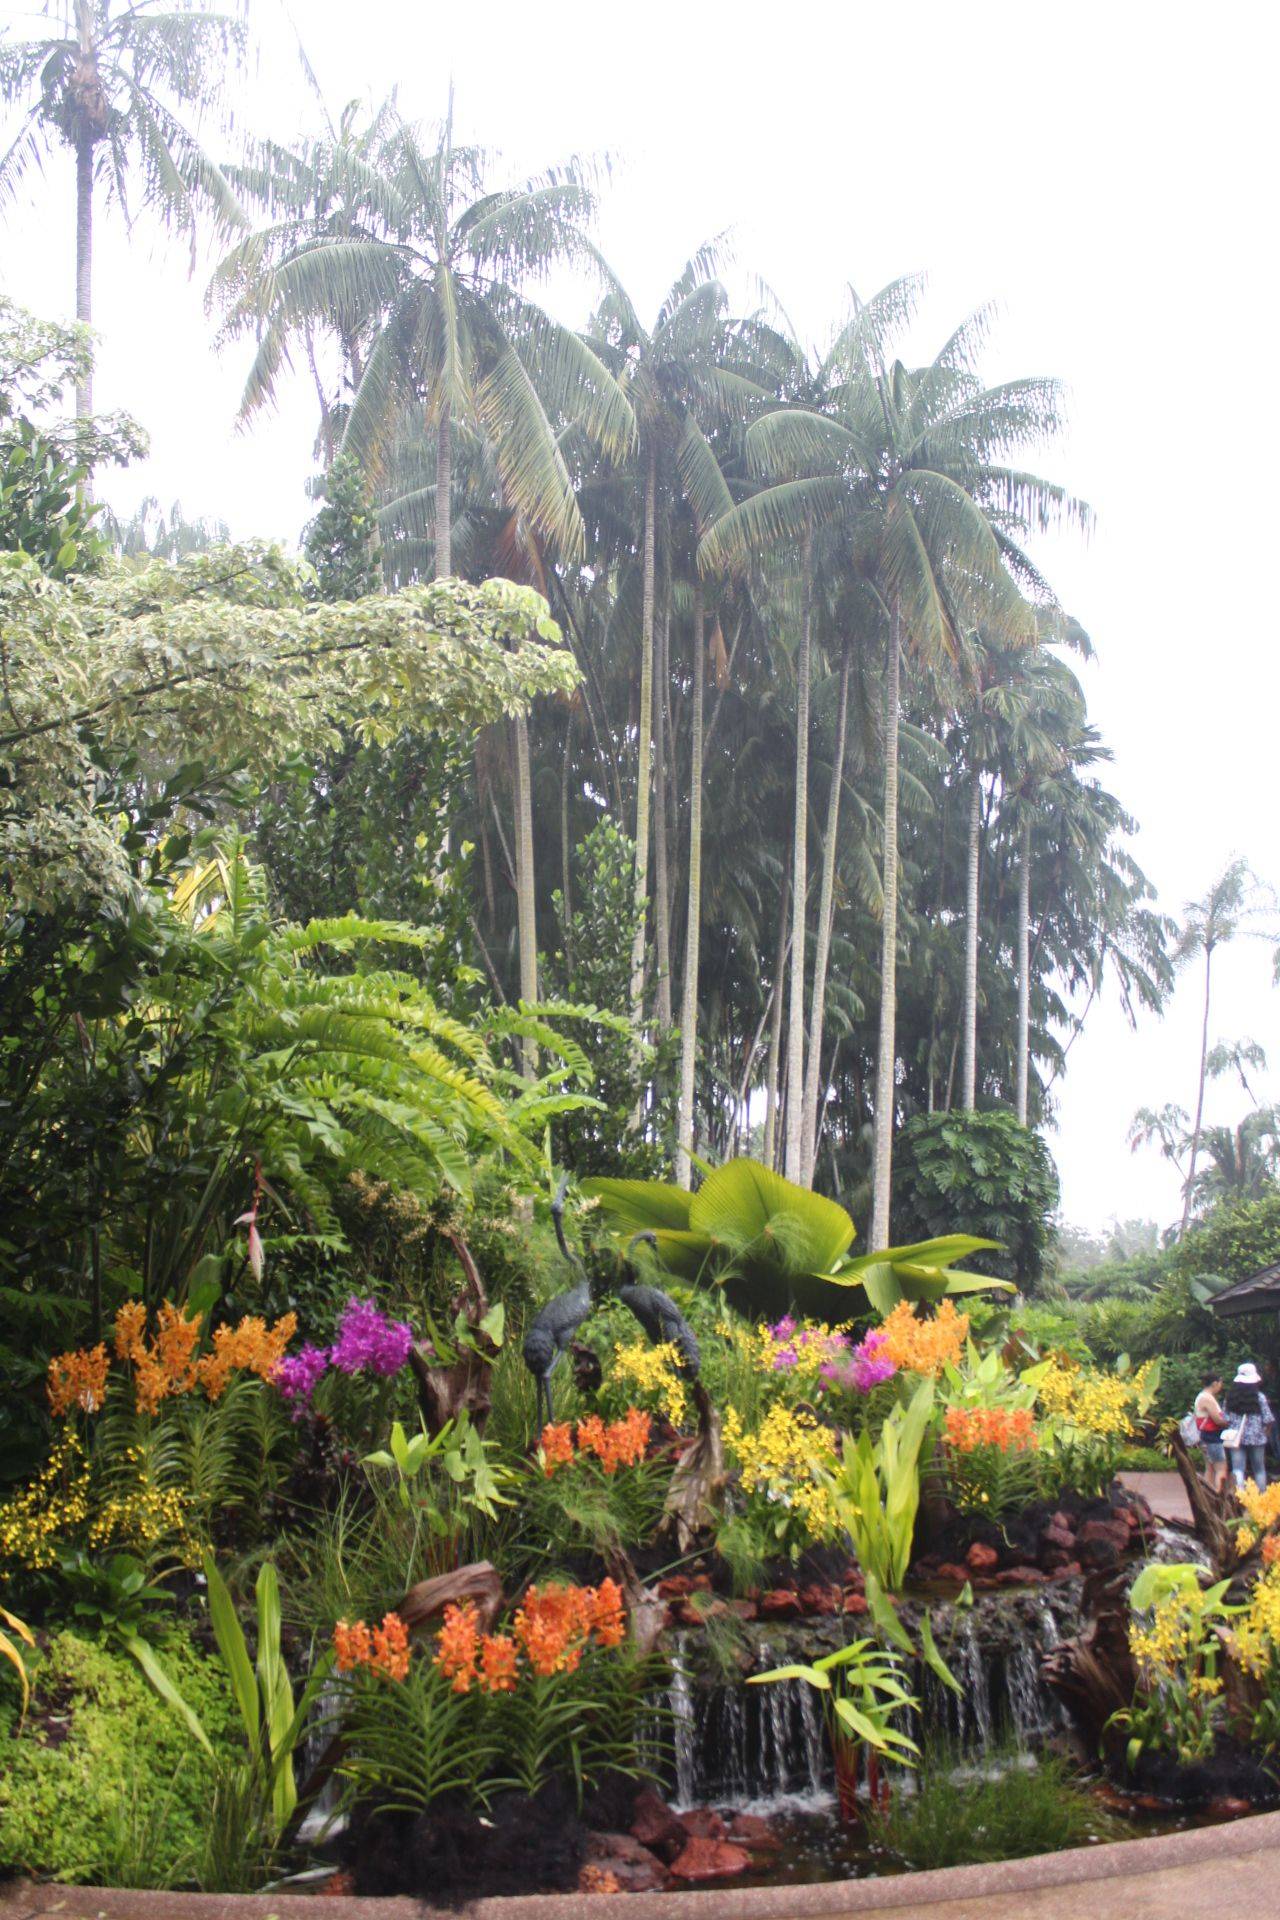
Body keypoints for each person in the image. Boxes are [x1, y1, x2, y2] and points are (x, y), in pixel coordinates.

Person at [1222, 1362, 1275, 1491]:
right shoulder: (1259, 1397)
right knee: (1259, 1469)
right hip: (1257, 1437)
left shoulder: (1230, 1398)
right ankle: (1260, 1498)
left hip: (1236, 1438)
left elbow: (1225, 1419)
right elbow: (1268, 1419)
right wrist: (1266, 1433)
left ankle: (1239, 1497)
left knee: (1238, 1469)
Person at [1194, 1371, 1230, 1492]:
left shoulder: (1202, 1396)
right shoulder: (1207, 1398)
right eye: (1220, 1383)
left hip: (1206, 1436)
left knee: (1209, 1468)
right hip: (1212, 1437)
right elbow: (1218, 1420)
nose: (1221, 1386)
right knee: (1221, 1468)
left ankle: (1206, 1495)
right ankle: (1219, 1495)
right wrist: (1231, 1424)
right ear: (1215, 1383)